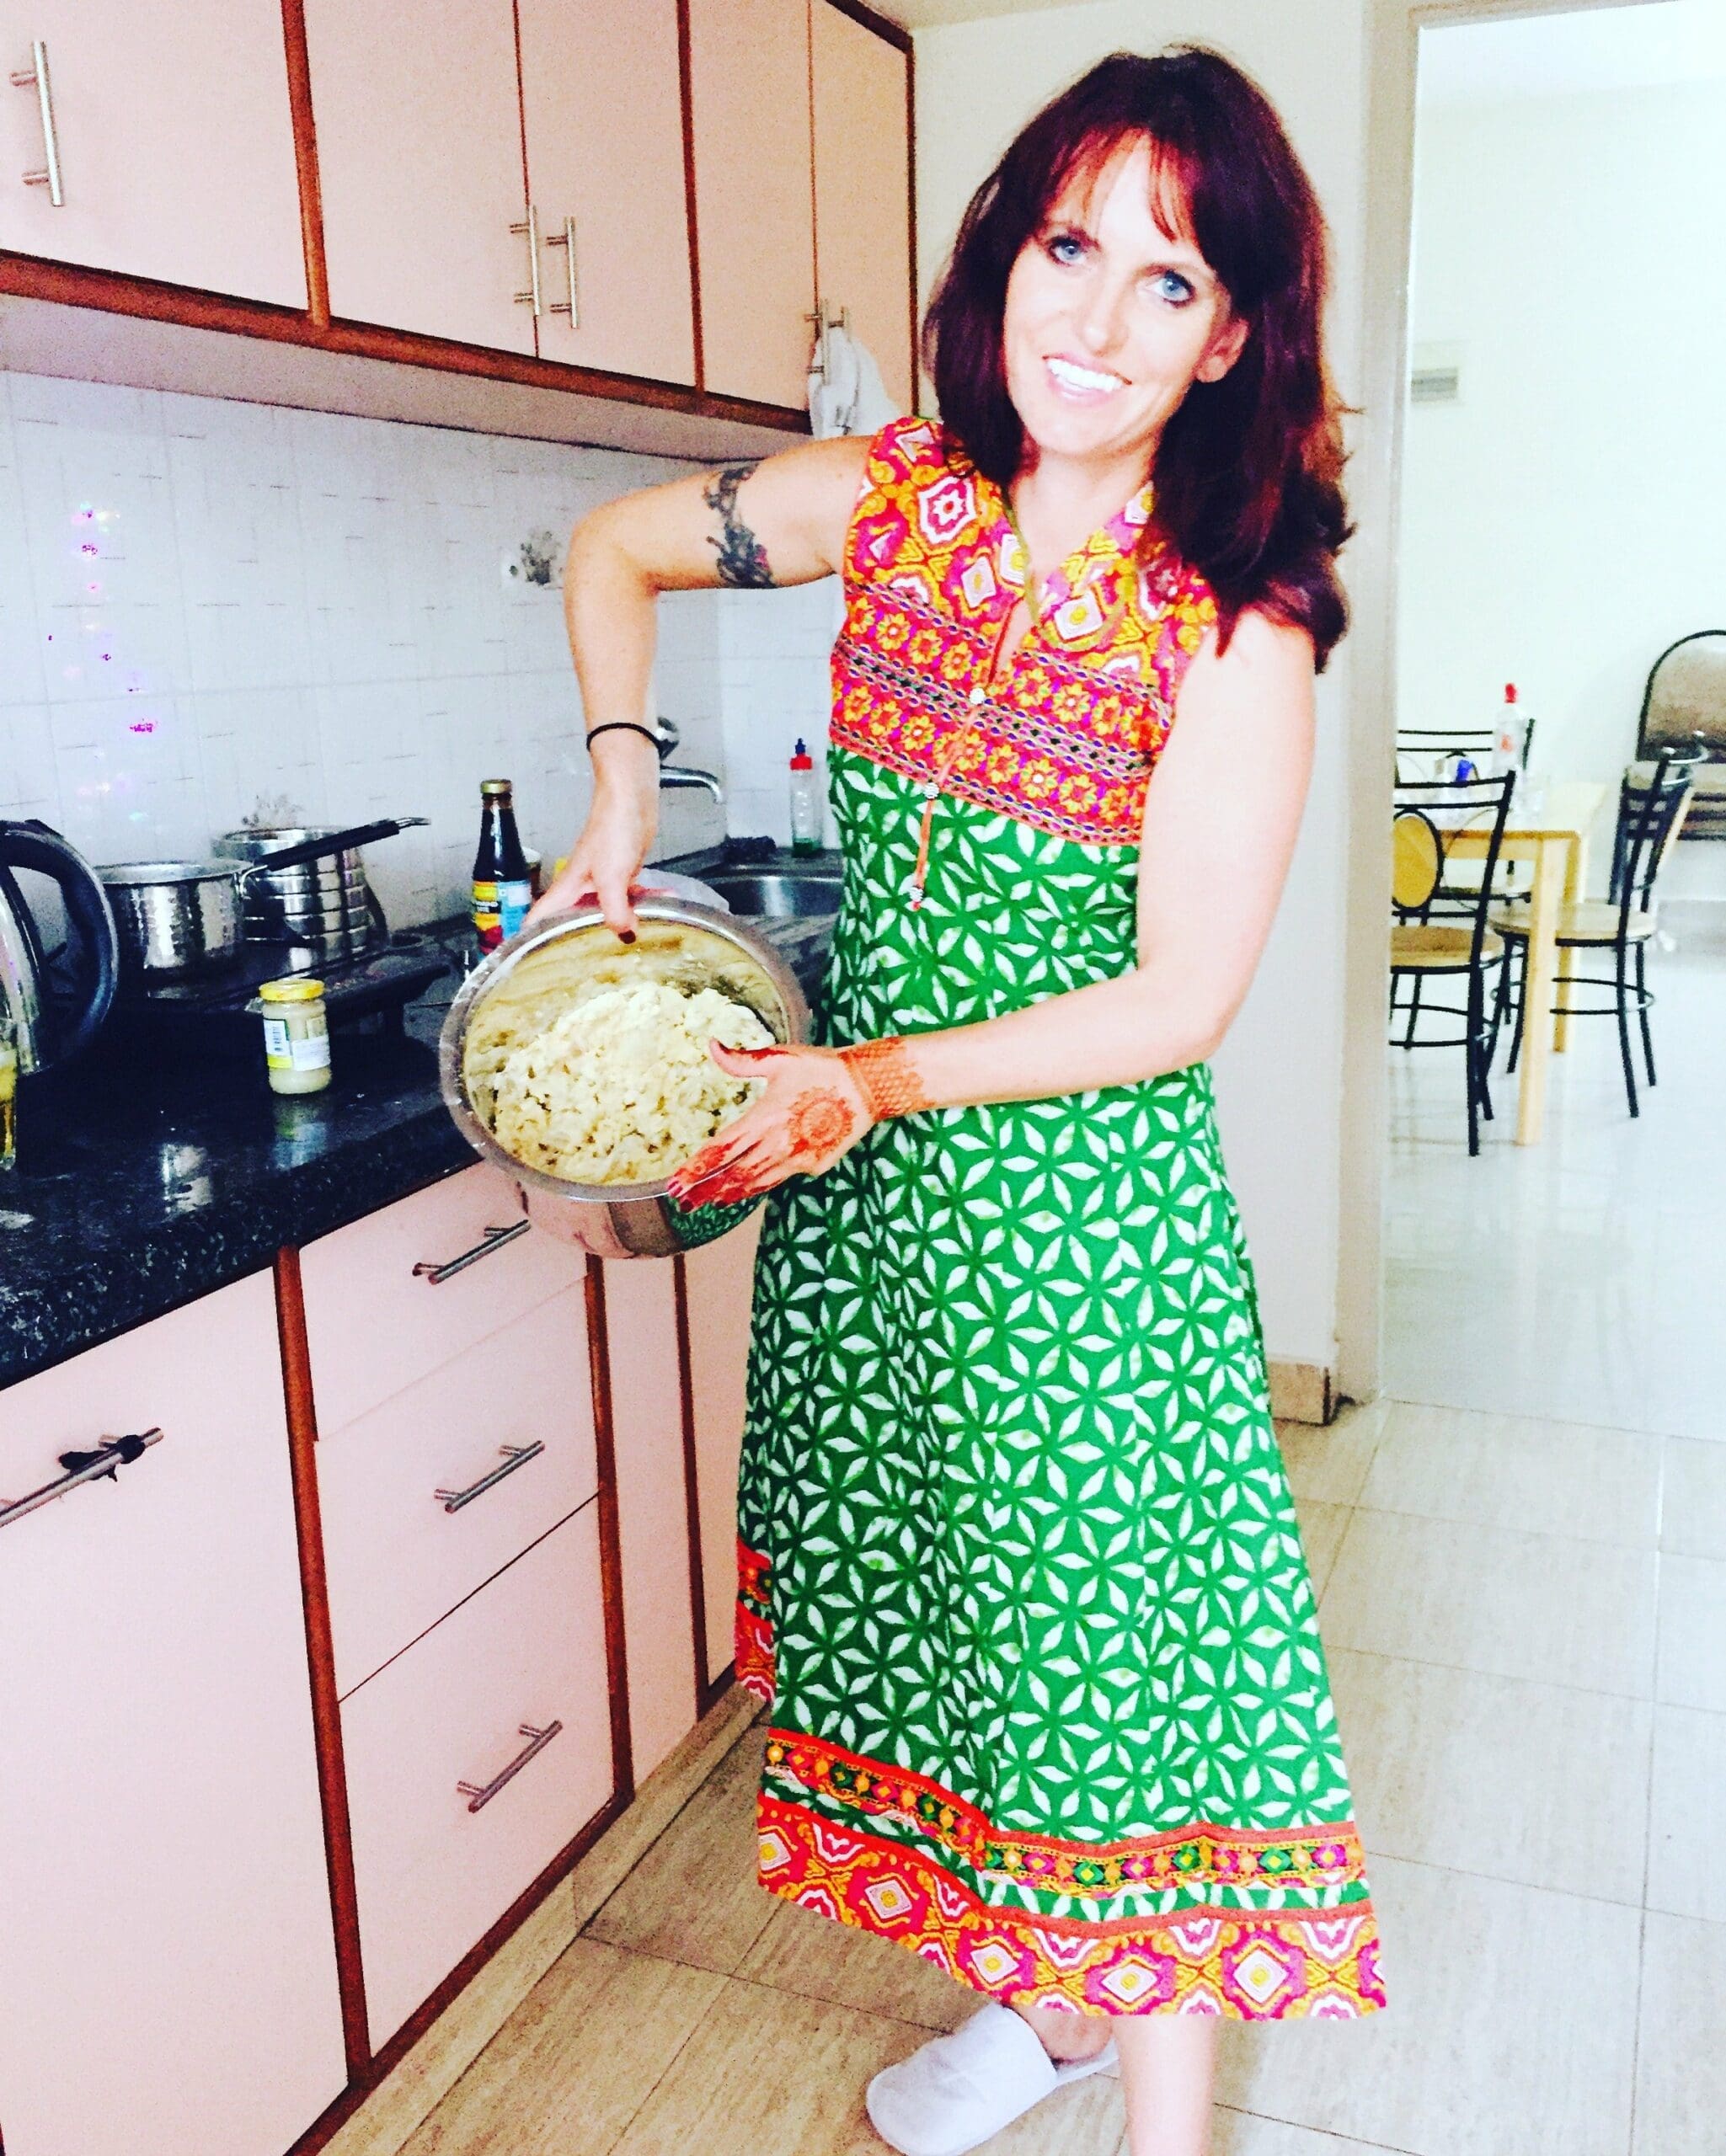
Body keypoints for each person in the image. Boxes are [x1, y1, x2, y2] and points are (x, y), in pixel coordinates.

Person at [533, 45, 1383, 2156]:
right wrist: (626, 773)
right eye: (1066, 244)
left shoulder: (1233, 624)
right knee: (945, 1631)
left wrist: (867, 1075)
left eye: (1168, 282)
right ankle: (1039, 2011)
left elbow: (1177, 999)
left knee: (1120, 1686)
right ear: (1000, 251)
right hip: (874, 1206)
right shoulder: (886, 493)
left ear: (1237, 335)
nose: (1091, 321)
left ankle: (1160, 2126)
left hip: (1077, 1232)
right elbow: (606, 542)